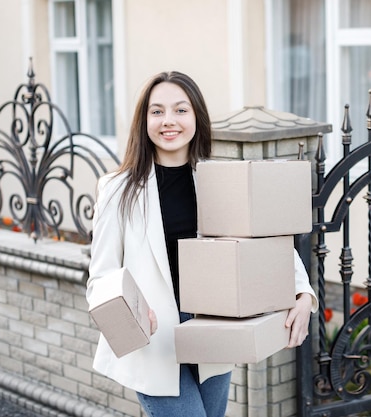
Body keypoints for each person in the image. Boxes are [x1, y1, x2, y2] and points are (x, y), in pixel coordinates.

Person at [86, 71, 318, 417]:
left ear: (196, 117)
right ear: (143, 120)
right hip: (154, 343)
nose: (169, 121)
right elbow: (100, 279)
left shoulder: (219, 181)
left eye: (181, 110)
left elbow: (264, 243)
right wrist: (130, 314)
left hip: (213, 330)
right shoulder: (118, 189)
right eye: (157, 111)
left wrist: (304, 293)